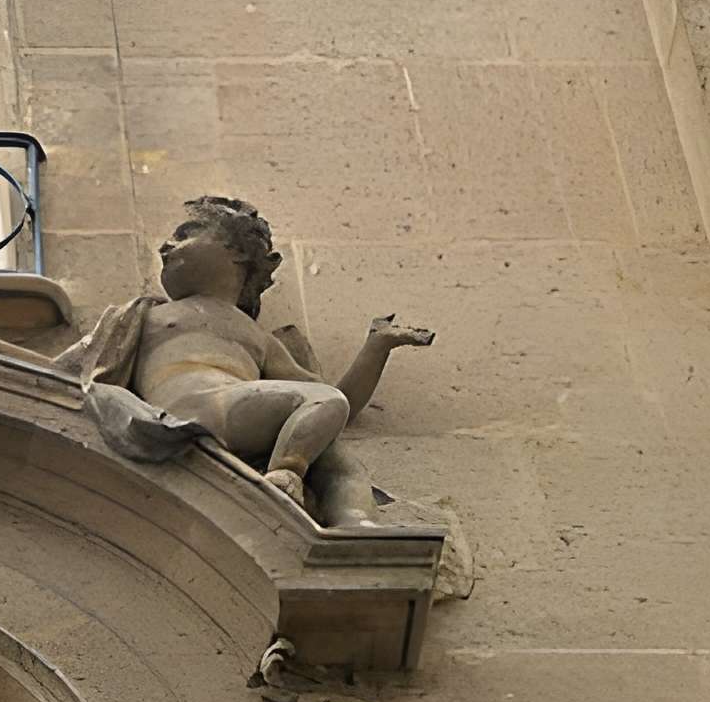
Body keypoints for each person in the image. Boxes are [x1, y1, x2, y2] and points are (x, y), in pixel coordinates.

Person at [55, 194, 433, 526]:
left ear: (237, 251)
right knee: (320, 408)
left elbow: (339, 400)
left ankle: (354, 520)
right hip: (185, 409)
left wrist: (375, 347)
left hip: (243, 410)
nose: (165, 247)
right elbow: (62, 370)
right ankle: (284, 478)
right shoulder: (149, 314)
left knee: (337, 455)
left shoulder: (257, 337)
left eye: (185, 233)